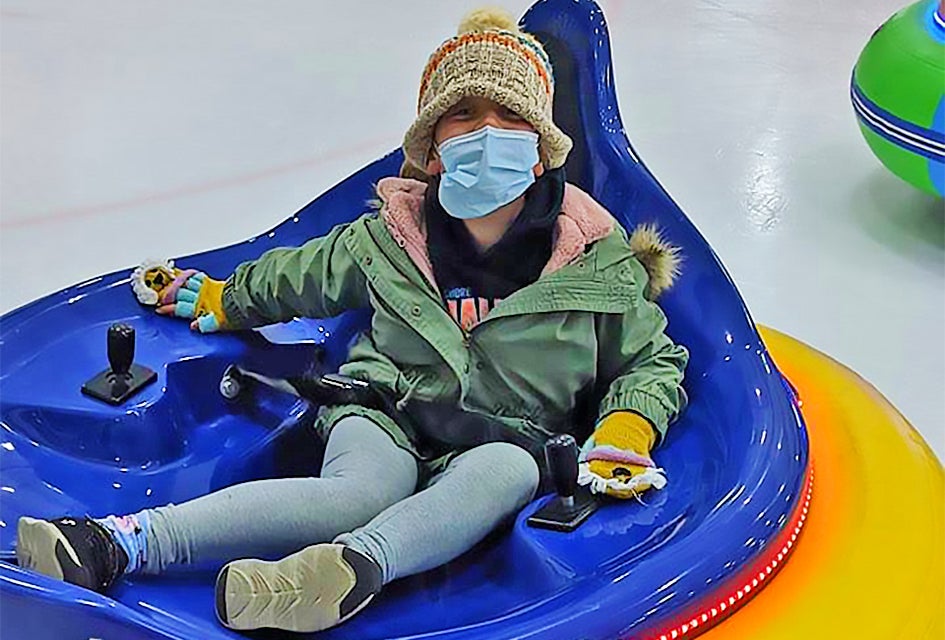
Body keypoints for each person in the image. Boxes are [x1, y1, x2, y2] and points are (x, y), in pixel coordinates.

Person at [16, 7, 688, 635]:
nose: (487, 132)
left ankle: (343, 572)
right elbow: (296, 278)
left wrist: (625, 426)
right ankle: (117, 542)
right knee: (356, 493)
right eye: (462, 115)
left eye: (509, 116)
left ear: (540, 149)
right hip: (385, 412)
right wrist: (222, 299)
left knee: (506, 470)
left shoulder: (597, 264)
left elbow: (650, 361)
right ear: (431, 149)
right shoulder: (388, 238)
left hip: (508, 437)